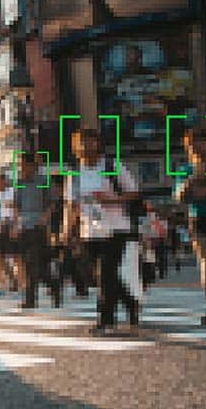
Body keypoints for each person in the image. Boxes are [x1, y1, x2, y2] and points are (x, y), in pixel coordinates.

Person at [63, 128, 140, 335]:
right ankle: (131, 302)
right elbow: (71, 205)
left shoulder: (111, 166)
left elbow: (133, 192)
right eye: (81, 142)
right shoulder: (75, 173)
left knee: (105, 273)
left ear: (98, 144)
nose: (86, 146)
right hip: (90, 230)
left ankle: (106, 319)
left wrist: (112, 199)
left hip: (116, 228)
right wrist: (66, 229)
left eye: (90, 141)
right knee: (102, 275)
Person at [174, 127, 206, 326]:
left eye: (200, 141)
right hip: (199, 219)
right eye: (191, 143)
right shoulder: (186, 170)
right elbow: (180, 196)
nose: (196, 146)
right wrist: (193, 179)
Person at [12, 152, 56, 308]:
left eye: (23, 164)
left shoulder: (44, 180)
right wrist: (16, 224)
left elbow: (52, 203)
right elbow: (16, 205)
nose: (21, 167)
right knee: (28, 263)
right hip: (24, 227)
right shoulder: (19, 182)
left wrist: (45, 218)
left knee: (36, 263)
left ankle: (32, 299)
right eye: (19, 165)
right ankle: (53, 285)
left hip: (39, 227)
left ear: (31, 165)